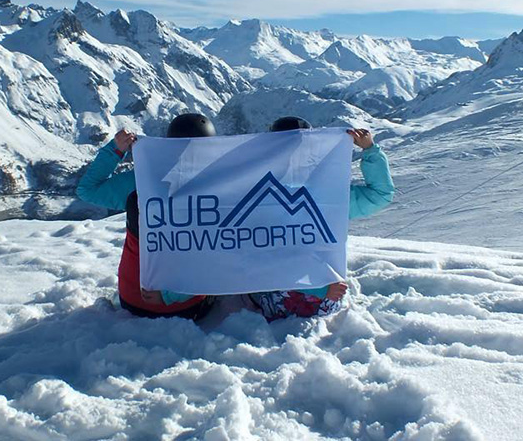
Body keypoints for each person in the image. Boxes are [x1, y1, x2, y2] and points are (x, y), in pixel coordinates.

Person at [248, 116, 395, 321]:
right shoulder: (329, 195)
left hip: (273, 294)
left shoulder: (251, 190)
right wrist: (369, 150)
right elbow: (379, 195)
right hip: (322, 294)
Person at [76, 114, 216, 320]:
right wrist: (170, 295)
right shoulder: (221, 191)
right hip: (188, 306)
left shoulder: (143, 179)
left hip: (133, 300)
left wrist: (115, 149)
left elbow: (87, 190)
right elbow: (218, 262)